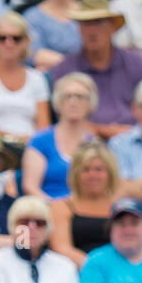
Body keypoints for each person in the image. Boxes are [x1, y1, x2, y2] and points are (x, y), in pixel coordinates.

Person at [47, 0, 142, 136]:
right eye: (85, 24)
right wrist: (103, 131)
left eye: (98, 23)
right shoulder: (64, 69)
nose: (92, 30)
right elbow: (62, 115)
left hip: (134, 139)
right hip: (83, 140)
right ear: (79, 29)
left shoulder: (138, 64)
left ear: (113, 27)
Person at [23, 73, 101, 202]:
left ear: (90, 103)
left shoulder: (96, 145)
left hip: (85, 212)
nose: (73, 101)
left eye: (80, 97)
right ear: (58, 102)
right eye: (67, 96)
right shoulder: (39, 141)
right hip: (47, 210)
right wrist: (57, 209)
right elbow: (30, 186)